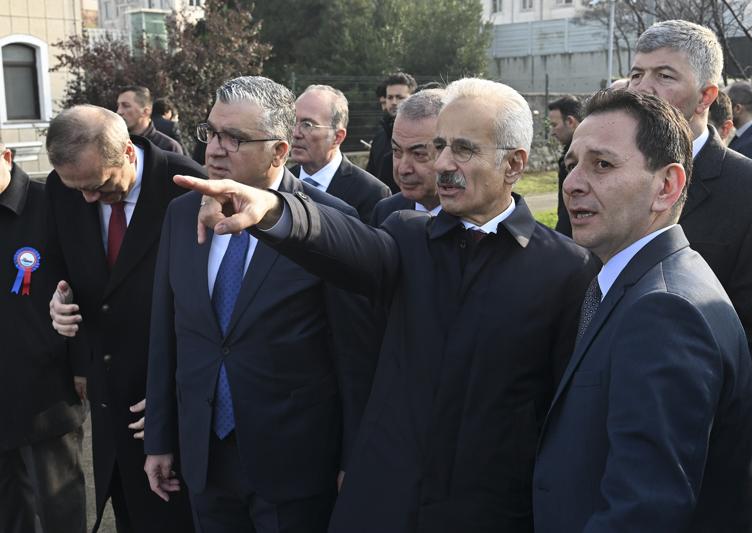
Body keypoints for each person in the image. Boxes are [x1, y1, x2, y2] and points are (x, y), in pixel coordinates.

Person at [174, 77, 597, 532]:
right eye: (440, 147)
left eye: (464, 149)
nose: (443, 164)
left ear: (514, 164)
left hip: (490, 509)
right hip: (386, 502)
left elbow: (568, 417)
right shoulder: (405, 236)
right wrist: (275, 209)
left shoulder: (566, 270)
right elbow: (340, 240)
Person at [144, 76, 378, 533]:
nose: (214, 149)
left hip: (293, 465)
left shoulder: (327, 223)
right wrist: (159, 438)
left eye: (234, 138)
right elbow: (167, 333)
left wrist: (353, 458)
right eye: (211, 132)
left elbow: (354, 357)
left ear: (279, 151)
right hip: (204, 457)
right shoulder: (181, 214)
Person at [533, 87, 752, 533]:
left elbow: (644, 511)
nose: (572, 183)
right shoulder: (645, 281)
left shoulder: (664, 311)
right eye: (571, 163)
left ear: (666, 186)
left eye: (602, 164)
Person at [46, 105, 203, 533]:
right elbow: (59, 265)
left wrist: (176, 390)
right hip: (110, 402)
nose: (87, 199)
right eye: (78, 188)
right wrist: (57, 302)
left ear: (128, 153)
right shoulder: (64, 188)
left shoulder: (187, 187)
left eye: (99, 186)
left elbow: (214, 309)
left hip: (174, 401)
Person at [629, 19, 752, 392]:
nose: (642, 88)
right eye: (636, 74)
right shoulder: (601, 174)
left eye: (664, 75)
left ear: (706, 97)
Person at [0, 137, 87, 533]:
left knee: (58, 509)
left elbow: (85, 285)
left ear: (6, 156)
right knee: (9, 511)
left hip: (47, 389)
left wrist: (81, 364)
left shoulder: (51, 202)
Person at [289, 84, 389, 222]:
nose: (295, 133)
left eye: (307, 125)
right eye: (292, 122)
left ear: (337, 137)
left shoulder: (371, 192)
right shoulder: (282, 182)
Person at [370, 88, 444, 227]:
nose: (403, 169)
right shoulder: (384, 211)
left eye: (418, 154)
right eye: (396, 151)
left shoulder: (476, 221)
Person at [366, 72, 417, 191]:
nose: (394, 102)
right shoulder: (380, 136)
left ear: (413, 99)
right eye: (390, 97)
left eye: (399, 97)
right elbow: (371, 174)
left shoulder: (420, 135)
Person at [547, 95, 583, 237]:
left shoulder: (578, 157)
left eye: (554, 125)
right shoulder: (570, 154)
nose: (552, 132)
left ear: (570, 121)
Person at [117, 86, 186, 155]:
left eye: (126, 105)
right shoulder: (115, 143)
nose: (119, 111)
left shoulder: (169, 147)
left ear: (145, 111)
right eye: (118, 106)